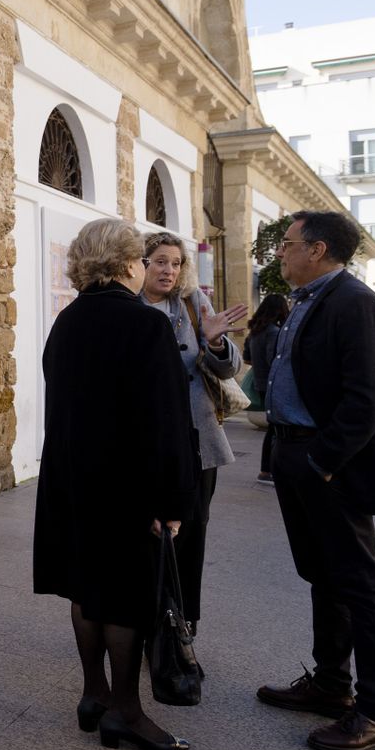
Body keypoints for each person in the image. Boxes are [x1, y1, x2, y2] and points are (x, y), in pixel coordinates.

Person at [34, 218, 197, 750]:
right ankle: (126, 710)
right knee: (125, 596)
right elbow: (167, 422)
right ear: (130, 264)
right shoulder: (146, 325)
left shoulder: (66, 322)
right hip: (128, 485)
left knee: (86, 587)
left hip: (72, 479)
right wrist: (171, 500)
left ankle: (94, 694)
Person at [258, 210, 375, 750]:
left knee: (360, 585)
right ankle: (332, 685)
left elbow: (370, 394)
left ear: (317, 249)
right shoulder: (310, 301)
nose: (281, 252)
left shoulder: (355, 302)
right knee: (324, 576)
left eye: (289, 243)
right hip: (296, 454)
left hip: (329, 464)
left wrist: (322, 460)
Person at [139, 231, 247, 633]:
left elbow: (228, 369)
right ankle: (149, 619)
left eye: (176, 262)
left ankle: (182, 623)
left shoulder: (192, 304)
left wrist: (215, 341)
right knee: (148, 535)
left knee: (192, 532)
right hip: (147, 442)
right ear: (142, 263)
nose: (169, 269)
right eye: (161, 261)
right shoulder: (129, 306)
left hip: (197, 439)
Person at [245, 294, 291, 483]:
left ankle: (267, 470)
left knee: (274, 428)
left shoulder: (255, 331)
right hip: (273, 383)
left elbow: (247, 358)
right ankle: (267, 470)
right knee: (276, 429)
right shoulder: (273, 331)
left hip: (260, 382)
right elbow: (275, 359)